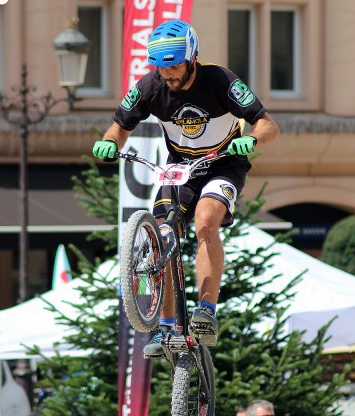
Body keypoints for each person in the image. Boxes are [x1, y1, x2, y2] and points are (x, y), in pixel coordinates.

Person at [92, 19, 280, 358]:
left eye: (174, 66)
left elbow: (268, 125)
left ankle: (206, 311)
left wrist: (250, 140)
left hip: (224, 163)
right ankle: (165, 326)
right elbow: (118, 128)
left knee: (206, 221)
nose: (168, 75)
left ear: (192, 57)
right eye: (161, 68)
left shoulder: (220, 80)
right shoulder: (150, 86)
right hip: (181, 170)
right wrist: (107, 143)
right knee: (162, 235)